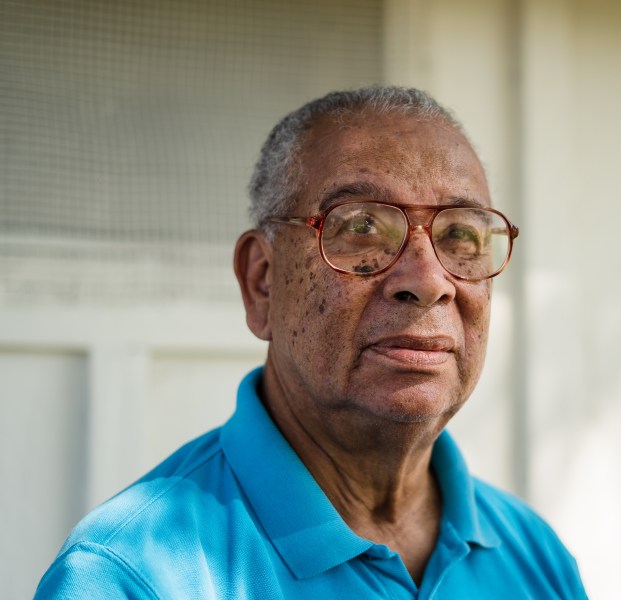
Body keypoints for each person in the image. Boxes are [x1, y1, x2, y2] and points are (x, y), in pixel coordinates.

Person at [36, 87, 588, 599]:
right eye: (362, 227)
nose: (427, 281)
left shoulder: (533, 557)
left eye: (461, 234)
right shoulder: (131, 574)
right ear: (262, 282)